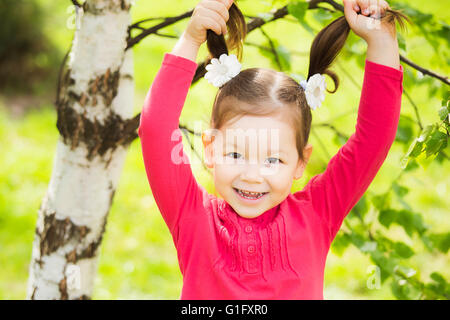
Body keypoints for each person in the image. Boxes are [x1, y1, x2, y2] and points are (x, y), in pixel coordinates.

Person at [138, 0, 409, 299]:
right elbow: (155, 130)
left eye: (273, 159)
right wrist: (191, 40)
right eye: (236, 154)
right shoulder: (193, 218)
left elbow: (372, 141)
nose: (253, 176)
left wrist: (381, 38)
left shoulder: (317, 213)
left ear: (300, 162)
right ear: (211, 148)